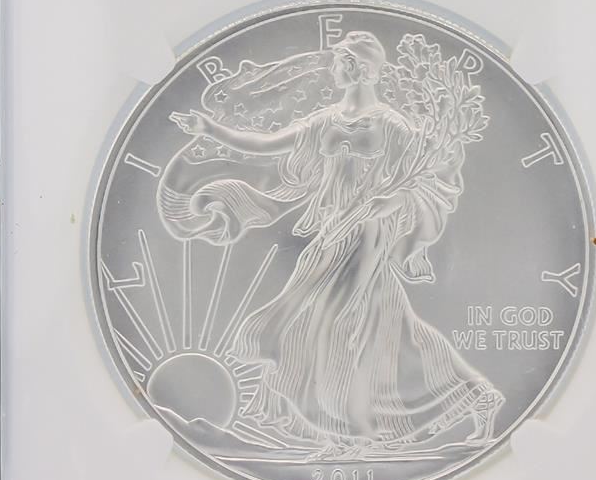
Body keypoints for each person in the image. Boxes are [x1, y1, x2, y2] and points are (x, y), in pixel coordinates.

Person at [170, 31, 503, 458]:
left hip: (368, 235)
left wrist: (390, 201)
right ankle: (475, 397)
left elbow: (425, 182)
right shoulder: (324, 121)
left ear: (358, 67)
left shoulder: (393, 127)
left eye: (339, 61)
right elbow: (267, 145)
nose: (333, 68)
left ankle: (349, 433)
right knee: (383, 327)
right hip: (332, 231)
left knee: (335, 323)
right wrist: (210, 129)